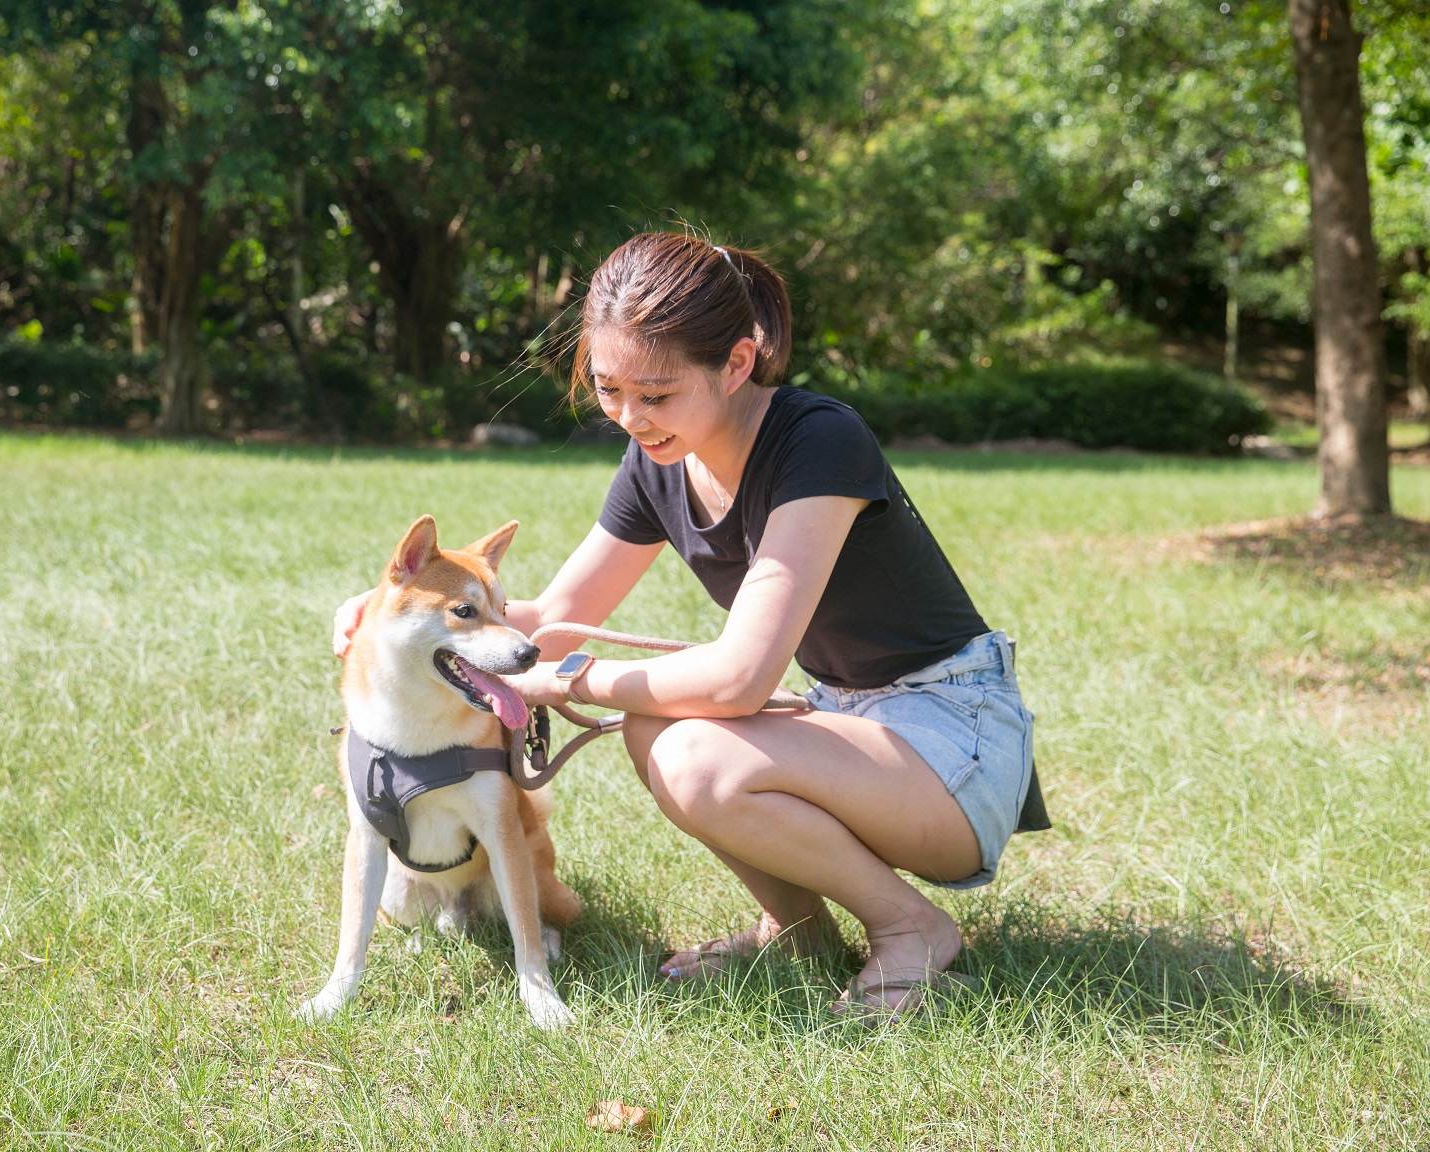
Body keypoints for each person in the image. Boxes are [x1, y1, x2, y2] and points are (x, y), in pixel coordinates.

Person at [335, 232, 1040, 1020]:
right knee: (654, 728)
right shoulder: (659, 462)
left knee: (694, 749)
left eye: (657, 394)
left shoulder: (817, 441)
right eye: (608, 390)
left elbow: (740, 679)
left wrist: (576, 681)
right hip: (850, 723)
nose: (630, 418)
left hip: (953, 738)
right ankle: (798, 931)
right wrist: (384, 617)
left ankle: (911, 928)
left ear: (737, 364)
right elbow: (552, 619)